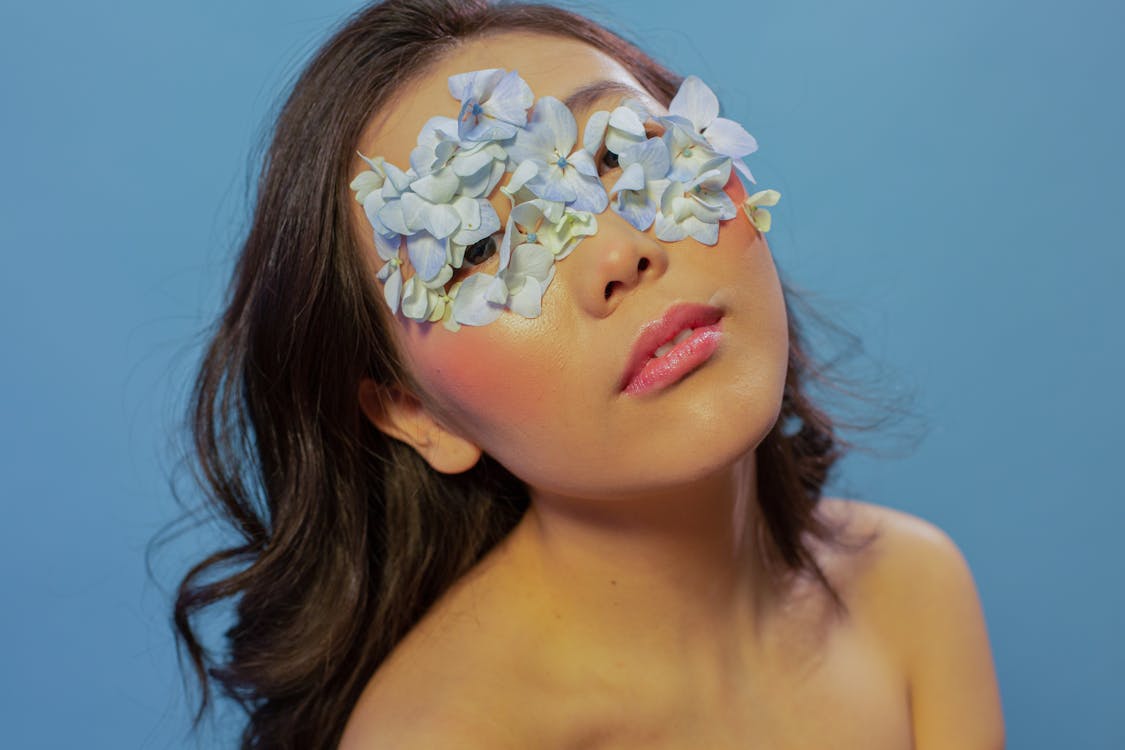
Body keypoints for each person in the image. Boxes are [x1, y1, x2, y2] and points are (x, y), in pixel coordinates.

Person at [170, 1, 1005, 747]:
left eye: (622, 156)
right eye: (481, 247)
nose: (618, 252)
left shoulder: (912, 590)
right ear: (412, 412)